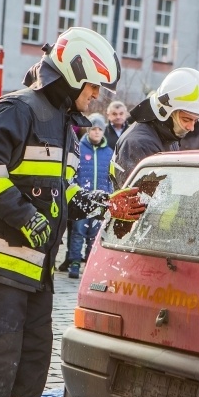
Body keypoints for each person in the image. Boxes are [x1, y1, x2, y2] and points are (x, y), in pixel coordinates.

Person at [0, 27, 141, 397]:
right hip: (1, 261)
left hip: (36, 266)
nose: (98, 97)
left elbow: (66, 191)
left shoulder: (64, 123)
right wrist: (26, 219)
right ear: (74, 74)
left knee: (33, 354)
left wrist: (105, 204)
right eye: (94, 87)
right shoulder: (18, 108)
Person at [113, 67, 199, 187]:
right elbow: (143, 198)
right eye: (186, 119)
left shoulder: (168, 135)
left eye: (195, 121)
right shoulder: (139, 144)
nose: (191, 127)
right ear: (167, 113)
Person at [67, 113, 113, 279]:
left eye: (100, 129)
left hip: (99, 200)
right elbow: (73, 172)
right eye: (93, 128)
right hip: (81, 198)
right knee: (78, 231)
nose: (96, 132)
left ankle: (90, 263)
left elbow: (110, 176)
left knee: (95, 234)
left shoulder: (108, 153)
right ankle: (74, 262)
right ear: (88, 130)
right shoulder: (79, 148)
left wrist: (109, 194)